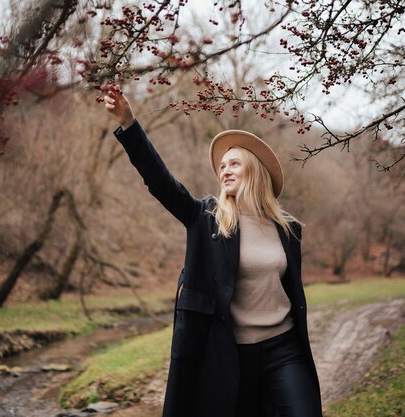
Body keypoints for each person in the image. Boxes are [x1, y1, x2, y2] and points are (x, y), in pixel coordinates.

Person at [103, 90, 323, 417]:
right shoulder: (206, 220)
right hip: (230, 355)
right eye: (222, 166)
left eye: (235, 163)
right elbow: (161, 183)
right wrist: (129, 124)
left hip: (284, 349)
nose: (225, 170)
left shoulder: (286, 228)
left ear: (254, 170)